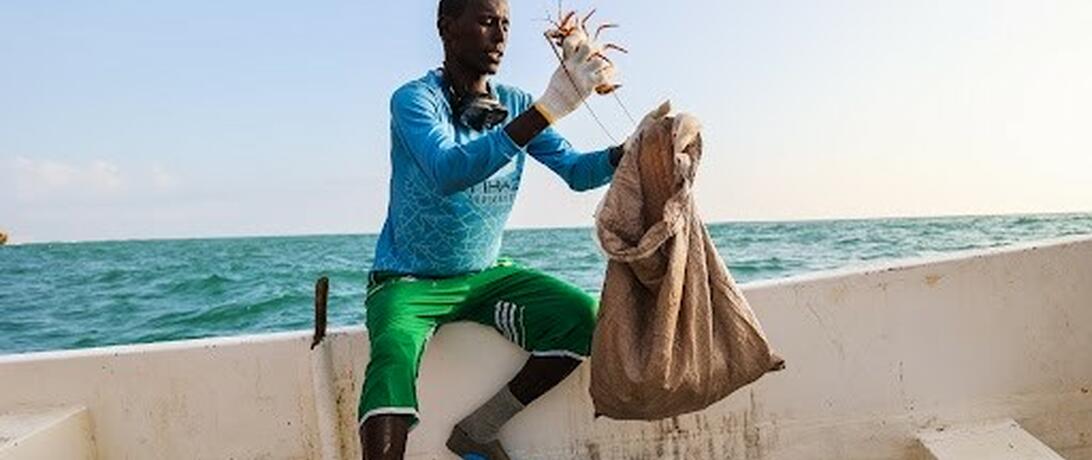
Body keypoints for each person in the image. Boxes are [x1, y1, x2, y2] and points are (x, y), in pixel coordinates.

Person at [357, 0, 642, 459]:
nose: (500, 36)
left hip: (485, 275)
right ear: (447, 27)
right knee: (392, 353)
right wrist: (547, 110)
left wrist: (630, 151)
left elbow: (575, 171)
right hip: (408, 280)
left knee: (583, 318)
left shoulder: (513, 103)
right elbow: (447, 170)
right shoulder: (414, 100)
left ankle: (480, 428)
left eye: (506, 25)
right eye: (488, 21)